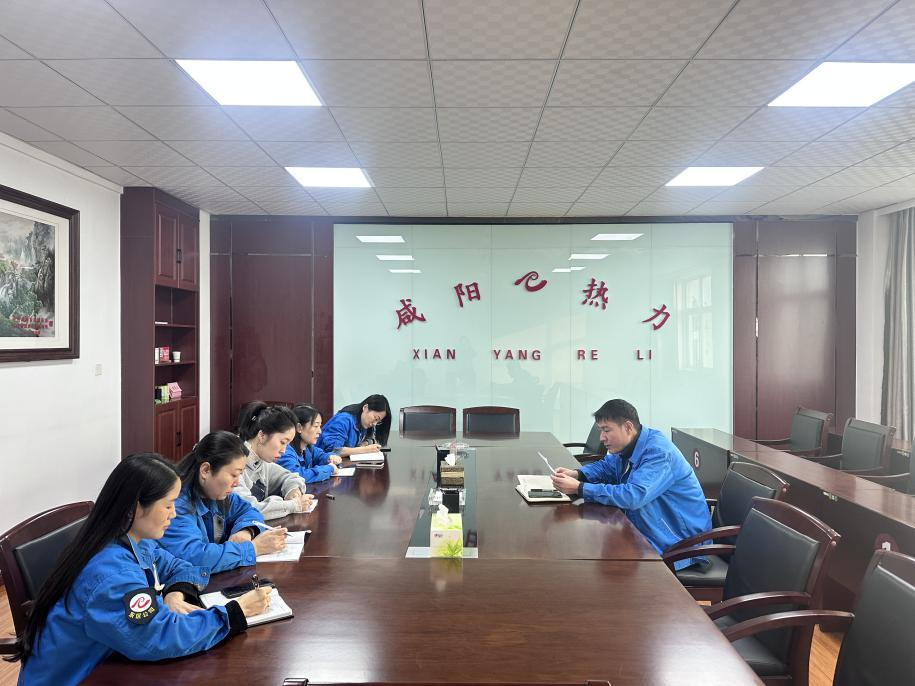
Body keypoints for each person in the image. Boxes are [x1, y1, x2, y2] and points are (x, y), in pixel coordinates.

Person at [12, 454, 271, 686]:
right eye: (168, 505)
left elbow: (180, 566)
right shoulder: (111, 574)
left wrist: (176, 593)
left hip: (109, 665)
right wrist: (234, 613)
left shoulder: (133, 538)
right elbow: (158, 637)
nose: (173, 514)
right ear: (136, 507)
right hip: (79, 678)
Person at [550, 399, 711, 569]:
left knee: (602, 562)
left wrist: (580, 488)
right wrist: (578, 474)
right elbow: (607, 467)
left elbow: (633, 496)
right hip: (649, 528)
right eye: (601, 430)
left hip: (681, 542)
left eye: (606, 430)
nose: (602, 438)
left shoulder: (659, 453)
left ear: (628, 427)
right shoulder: (629, 446)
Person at [159, 431, 288, 572]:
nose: (237, 483)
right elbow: (196, 556)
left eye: (240, 475)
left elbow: (249, 510)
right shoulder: (175, 505)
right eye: (234, 475)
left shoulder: (217, 493)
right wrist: (254, 548)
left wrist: (246, 530)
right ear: (205, 470)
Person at [235, 401, 312, 520]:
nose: (284, 451)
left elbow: (291, 477)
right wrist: (294, 505)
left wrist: (293, 491)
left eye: (287, 444)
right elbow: (248, 509)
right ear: (262, 436)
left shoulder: (261, 462)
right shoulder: (233, 463)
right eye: (282, 442)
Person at [278, 403, 342, 483]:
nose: (320, 431)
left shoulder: (308, 447)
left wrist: (330, 458)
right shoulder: (285, 451)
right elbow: (297, 476)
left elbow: (321, 455)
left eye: (320, 426)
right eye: (315, 426)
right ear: (299, 427)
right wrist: (330, 468)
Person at [316, 394, 391, 457]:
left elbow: (371, 438)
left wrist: (366, 442)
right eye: (375, 418)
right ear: (365, 408)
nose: (374, 424)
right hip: (320, 464)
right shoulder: (343, 420)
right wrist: (365, 450)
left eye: (378, 422)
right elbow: (334, 451)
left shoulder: (363, 422)